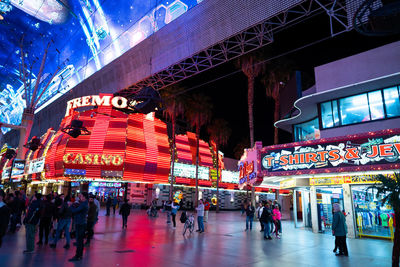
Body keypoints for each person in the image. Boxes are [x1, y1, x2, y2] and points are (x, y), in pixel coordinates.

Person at [69, 192, 89, 262]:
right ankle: (79, 255)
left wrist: (71, 206)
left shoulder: (83, 204)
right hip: (81, 222)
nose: (80, 197)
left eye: (81, 196)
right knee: (80, 240)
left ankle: (78, 255)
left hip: (80, 223)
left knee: (79, 240)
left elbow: (75, 211)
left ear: (84, 197)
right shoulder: (84, 203)